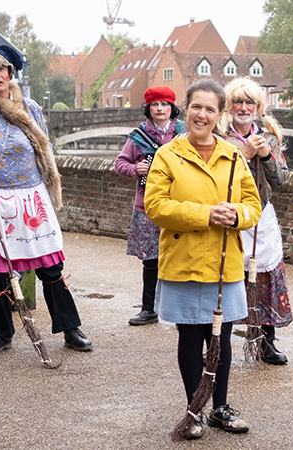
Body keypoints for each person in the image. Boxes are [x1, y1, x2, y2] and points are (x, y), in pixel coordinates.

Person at [0, 45, 92, 354]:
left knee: (51, 269)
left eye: (2, 69)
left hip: (32, 199)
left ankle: (71, 329)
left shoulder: (31, 109)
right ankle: (3, 332)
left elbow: (45, 151)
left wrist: (50, 185)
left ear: (10, 73)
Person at [144, 79, 261, 437]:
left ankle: (220, 408)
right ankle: (194, 409)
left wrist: (237, 216)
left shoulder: (233, 157)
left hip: (224, 263)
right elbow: (156, 206)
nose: (202, 114)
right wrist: (205, 215)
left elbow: (253, 205)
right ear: (186, 109)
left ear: (219, 114)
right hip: (184, 259)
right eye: (197, 107)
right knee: (191, 337)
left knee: (222, 338)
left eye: (210, 109)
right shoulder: (168, 155)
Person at [220, 77, 292, 365]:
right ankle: (217, 342)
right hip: (231, 216)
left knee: (265, 279)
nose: (243, 107)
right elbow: (220, 179)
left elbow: (281, 180)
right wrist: (246, 156)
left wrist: (266, 156)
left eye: (250, 102)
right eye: (238, 101)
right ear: (229, 105)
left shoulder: (269, 136)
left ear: (258, 106)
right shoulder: (220, 138)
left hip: (262, 216)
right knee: (227, 278)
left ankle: (266, 342)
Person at [114, 86, 185, 326]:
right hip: (147, 205)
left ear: (171, 108)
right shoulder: (138, 136)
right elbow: (119, 163)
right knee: (151, 260)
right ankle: (148, 309)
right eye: (155, 105)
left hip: (180, 202)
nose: (160, 109)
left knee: (180, 257)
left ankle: (180, 312)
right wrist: (136, 169)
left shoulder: (184, 133)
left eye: (164, 104)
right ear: (149, 109)